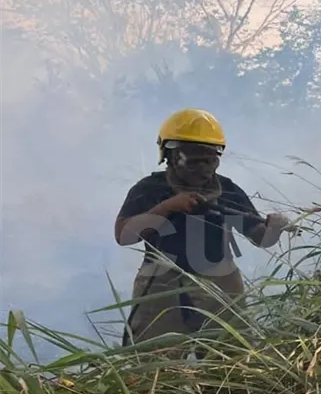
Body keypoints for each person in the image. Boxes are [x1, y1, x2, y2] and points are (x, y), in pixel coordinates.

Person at [115, 108, 291, 346]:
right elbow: (124, 235)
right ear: (170, 156)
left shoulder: (227, 190)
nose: (205, 169)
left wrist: (274, 228)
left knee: (232, 365)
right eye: (194, 161)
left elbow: (259, 238)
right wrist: (168, 207)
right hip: (161, 286)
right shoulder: (150, 189)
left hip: (220, 285)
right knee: (155, 369)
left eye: (211, 160)